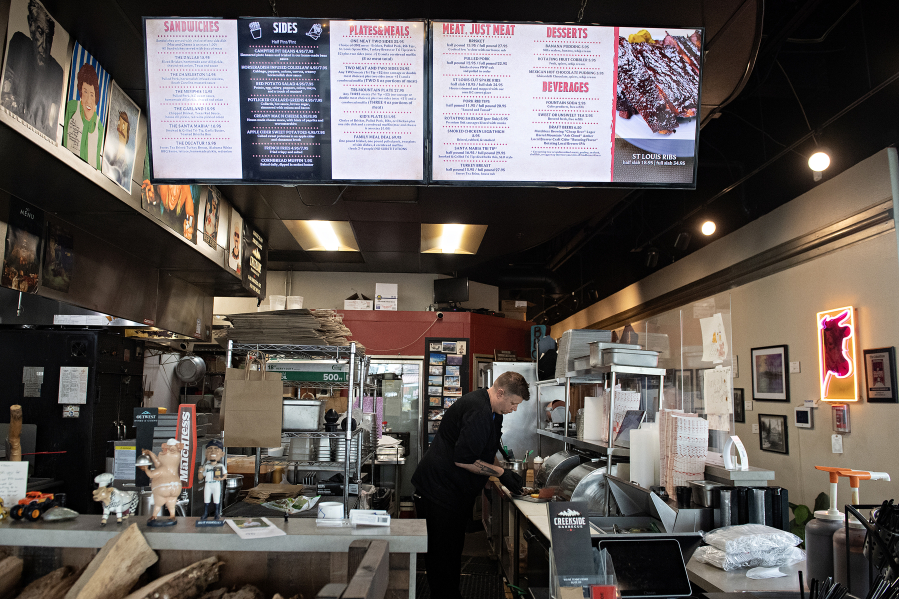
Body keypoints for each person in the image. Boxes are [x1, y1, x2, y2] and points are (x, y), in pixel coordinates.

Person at [412, 371, 530, 599]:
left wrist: (497, 475)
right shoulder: (478, 410)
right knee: (442, 555)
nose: (515, 409)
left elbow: (487, 451)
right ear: (501, 392)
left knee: (453, 551)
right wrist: (500, 473)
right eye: (514, 403)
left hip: (453, 493)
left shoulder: (495, 413)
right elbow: (464, 459)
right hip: (438, 492)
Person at [0, 0, 64, 139]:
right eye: (40, 32)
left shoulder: (57, 73)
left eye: (49, 36)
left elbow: (51, 129)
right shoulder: (19, 44)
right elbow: (5, 99)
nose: (44, 44)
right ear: (31, 27)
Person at [63, 62, 104, 168]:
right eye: (85, 92)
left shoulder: (99, 127)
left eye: (92, 94)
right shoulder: (72, 108)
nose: (88, 100)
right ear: (80, 92)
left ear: (96, 97)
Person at [102, 110, 133, 188]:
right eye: (119, 124)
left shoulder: (126, 164)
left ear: (127, 130)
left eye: (124, 126)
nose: (120, 129)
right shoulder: (110, 151)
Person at [198, 439, 227, 520]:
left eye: (216, 449)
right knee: (206, 499)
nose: (212, 452)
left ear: (222, 454)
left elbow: (225, 475)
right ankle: (205, 513)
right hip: (208, 484)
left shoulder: (220, 466)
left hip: (216, 484)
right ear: (206, 453)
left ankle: (217, 514)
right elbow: (200, 478)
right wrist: (200, 472)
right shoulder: (206, 466)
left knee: (216, 499)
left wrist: (221, 478)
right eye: (210, 449)